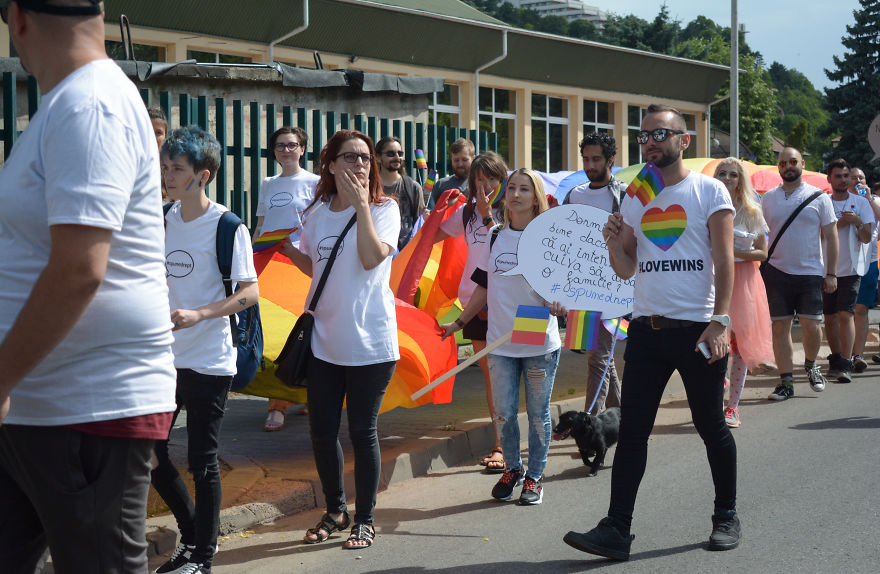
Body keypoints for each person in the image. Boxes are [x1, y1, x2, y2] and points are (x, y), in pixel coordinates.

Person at [0, 2, 177, 572]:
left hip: (88, 409)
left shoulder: (90, 104)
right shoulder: (69, 105)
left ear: (17, 18)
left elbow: (80, 269)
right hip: (40, 408)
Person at [564, 104, 738, 559]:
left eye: (661, 133)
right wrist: (611, 241)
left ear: (685, 141)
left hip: (698, 331)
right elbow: (625, 269)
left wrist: (720, 321)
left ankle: (726, 516)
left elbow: (725, 262)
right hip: (645, 330)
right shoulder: (636, 198)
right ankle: (616, 529)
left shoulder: (709, 190)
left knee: (710, 425)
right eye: (644, 136)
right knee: (634, 431)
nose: (651, 142)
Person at [280, 130, 400, 549]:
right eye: (350, 157)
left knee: (362, 430)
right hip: (323, 342)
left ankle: (364, 519)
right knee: (321, 430)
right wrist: (276, 242)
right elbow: (316, 266)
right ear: (330, 164)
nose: (361, 165)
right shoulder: (315, 213)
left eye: (365, 158)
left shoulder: (386, 209)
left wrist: (363, 205)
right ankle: (336, 508)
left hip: (370, 343)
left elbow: (369, 259)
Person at [150, 126, 259, 574]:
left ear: (203, 175)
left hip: (210, 361)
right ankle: (192, 537)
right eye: (166, 166)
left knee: (202, 459)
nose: (168, 174)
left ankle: (204, 558)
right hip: (163, 360)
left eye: (177, 168)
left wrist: (200, 314)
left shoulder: (228, 226)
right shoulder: (161, 219)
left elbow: (250, 293)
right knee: (151, 453)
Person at [442, 169, 565, 505]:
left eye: (524, 189)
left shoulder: (549, 238)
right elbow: (483, 286)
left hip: (538, 338)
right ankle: (513, 469)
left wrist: (560, 303)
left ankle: (535, 479)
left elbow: (564, 288)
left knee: (538, 413)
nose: (516, 194)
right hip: (499, 341)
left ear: (535, 196)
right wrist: (459, 322)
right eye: (511, 187)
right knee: (505, 413)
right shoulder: (494, 236)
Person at [434, 151, 509, 473]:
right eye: (479, 180)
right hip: (474, 302)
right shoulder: (465, 215)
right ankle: (501, 444)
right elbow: (428, 238)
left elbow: (505, 245)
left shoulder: (514, 210)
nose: (485, 186)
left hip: (512, 304)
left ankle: (516, 441)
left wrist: (489, 213)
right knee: (493, 377)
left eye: (491, 178)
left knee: (522, 373)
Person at [252, 126, 320, 431]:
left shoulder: (315, 182)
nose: (286, 150)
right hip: (273, 264)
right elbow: (262, 224)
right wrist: (251, 259)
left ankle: (308, 393)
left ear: (302, 149)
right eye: (280, 145)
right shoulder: (268, 183)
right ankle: (276, 404)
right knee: (275, 335)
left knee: (306, 330)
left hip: (302, 265)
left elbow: (319, 225)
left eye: (292, 145)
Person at [760, 147, 838, 401]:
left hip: (810, 273)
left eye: (793, 161)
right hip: (776, 272)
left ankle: (811, 364)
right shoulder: (768, 198)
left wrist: (831, 273)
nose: (788, 166)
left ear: (802, 164)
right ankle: (786, 383)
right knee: (779, 327)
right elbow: (760, 234)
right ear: (778, 166)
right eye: (783, 162)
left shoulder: (819, 197)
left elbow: (831, 237)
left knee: (812, 325)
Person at [563, 132, 623, 415]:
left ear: (610, 159)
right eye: (586, 159)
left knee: (598, 358)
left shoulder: (623, 195)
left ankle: (590, 423)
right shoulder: (574, 195)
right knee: (599, 357)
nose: (589, 164)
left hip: (615, 287)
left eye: (596, 159)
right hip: (580, 286)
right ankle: (625, 417)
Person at [713, 158, 774, 428]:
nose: (727, 178)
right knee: (711, 344)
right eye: (722, 173)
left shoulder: (751, 211)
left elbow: (763, 252)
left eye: (733, 174)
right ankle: (720, 381)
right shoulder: (706, 208)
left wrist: (732, 251)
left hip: (745, 281)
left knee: (738, 346)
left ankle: (733, 407)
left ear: (741, 180)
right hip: (713, 280)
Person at [821, 159, 873, 383]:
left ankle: (846, 361)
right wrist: (838, 225)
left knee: (846, 313)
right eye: (839, 176)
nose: (843, 180)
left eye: (846, 176)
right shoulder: (823, 203)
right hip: (826, 269)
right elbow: (817, 235)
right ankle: (835, 359)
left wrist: (858, 222)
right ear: (829, 179)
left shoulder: (860, 203)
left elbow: (868, 237)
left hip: (851, 267)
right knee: (830, 317)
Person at [847, 167, 880, 372]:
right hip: (845, 262)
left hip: (869, 261)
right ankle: (845, 354)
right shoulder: (840, 199)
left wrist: (868, 199)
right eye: (854, 177)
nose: (858, 180)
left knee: (861, 309)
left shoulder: (874, 199)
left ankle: (857, 355)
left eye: (862, 177)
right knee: (844, 311)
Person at [376, 136, 425, 251]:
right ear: (378, 157)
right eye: (390, 154)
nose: (397, 157)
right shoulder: (369, 188)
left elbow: (419, 225)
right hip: (378, 252)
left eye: (400, 153)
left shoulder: (413, 187)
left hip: (405, 254)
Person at [427, 137, 474, 209]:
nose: (460, 164)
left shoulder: (479, 184)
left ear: (473, 159)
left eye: (464, 160)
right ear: (451, 160)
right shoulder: (441, 185)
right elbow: (432, 213)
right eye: (456, 160)